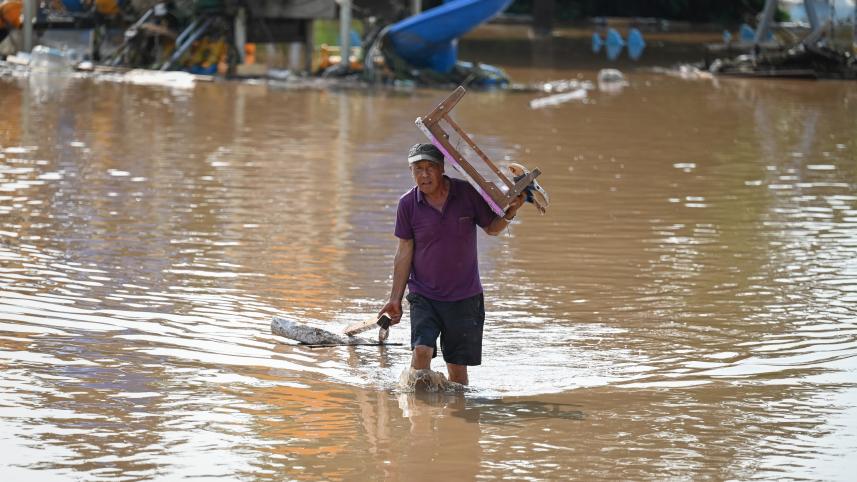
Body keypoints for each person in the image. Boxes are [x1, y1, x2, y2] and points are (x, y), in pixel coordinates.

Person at [378, 143, 524, 386]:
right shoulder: (407, 205)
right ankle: (419, 416)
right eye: (418, 169)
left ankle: (457, 417)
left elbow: (492, 228)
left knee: (457, 373)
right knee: (422, 351)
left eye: (430, 167)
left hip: (465, 297)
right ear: (411, 172)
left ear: (442, 168)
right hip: (424, 294)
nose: (424, 175)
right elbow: (404, 252)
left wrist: (511, 211)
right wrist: (395, 298)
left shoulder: (466, 193)